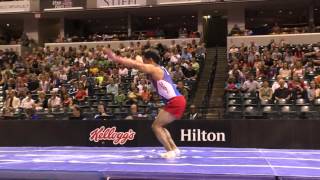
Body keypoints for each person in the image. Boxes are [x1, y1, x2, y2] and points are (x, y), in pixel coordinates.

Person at [105, 49, 186, 159]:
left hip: (175, 101)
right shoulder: (160, 68)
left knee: (156, 126)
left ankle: (170, 151)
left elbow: (136, 64)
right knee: (160, 126)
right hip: (176, 100)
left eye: (145, 61)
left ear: (150, 60)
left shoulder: (153, 69)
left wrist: (116, 58)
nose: (144, 64)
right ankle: (174, 149)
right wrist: (138, 56)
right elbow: (139, 62)